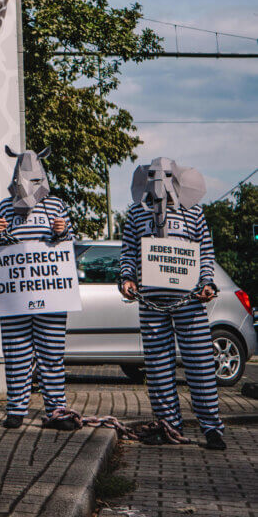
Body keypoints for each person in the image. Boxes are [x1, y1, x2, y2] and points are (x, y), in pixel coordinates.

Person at [119, 156, 225, 450]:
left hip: (189, 302)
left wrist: (207, 283)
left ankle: (212, 428)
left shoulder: (195, 213)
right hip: (151, 303)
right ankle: (168, 426)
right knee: (157, 367)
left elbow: (205, 254)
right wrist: (126, 279)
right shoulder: (136, 214)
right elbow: (128, 252)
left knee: (200, 364)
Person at [0, 145, 77, 430]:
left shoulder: (57, 205)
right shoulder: (4, 206)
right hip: (15, 294)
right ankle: (16, 409)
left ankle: (56, 409)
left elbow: (68, 246)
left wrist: (62, 232)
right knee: (16, 351)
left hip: (49, 293)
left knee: (52, 352)